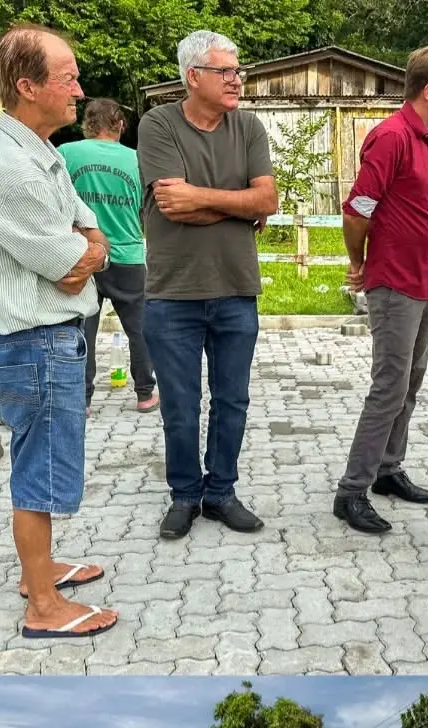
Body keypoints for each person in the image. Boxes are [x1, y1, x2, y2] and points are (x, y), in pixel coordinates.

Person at [0, 25, 118, 641]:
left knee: (46, 468)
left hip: (47, 340)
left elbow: (91, 235)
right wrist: (85, 253)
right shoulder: (7, 169)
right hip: (31, 343)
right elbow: (73, 262)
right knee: (39, 476)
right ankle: (43, 606)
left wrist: (87, 251)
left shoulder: (40, 151)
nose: (79, 89)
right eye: (67, 77)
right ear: (27, 87)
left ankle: (42, 569)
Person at [139, 30, 278, 542]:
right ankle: (183, 494)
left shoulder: (248, 127)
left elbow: (268, 200)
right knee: (180, 405)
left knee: (233, 400)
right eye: (226, 71)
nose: (237, 79)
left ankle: (220, 492)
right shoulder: (157, 124)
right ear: (193, 76)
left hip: (237, 289)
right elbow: (172, 207)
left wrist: (205, 199)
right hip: (173, 295)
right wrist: (237, 205)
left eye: (238, 70)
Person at [333, 45, 428, 536]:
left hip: (421, 279)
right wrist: (358, 262)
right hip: (393, 280)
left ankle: (388, 469)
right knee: (389, 386)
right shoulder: (390, 137)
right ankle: (352, 491)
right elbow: (357, 209)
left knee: (410, 382)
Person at [60, 98, 158, 416]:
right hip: (127, 256)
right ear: (119, 124)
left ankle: (83, 400)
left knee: (81, 330)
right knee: (140, 329)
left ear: (87, 123)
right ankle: (145, 394)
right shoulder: (138, 160)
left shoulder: (65, 154)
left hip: (81, 255)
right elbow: (148, 209)